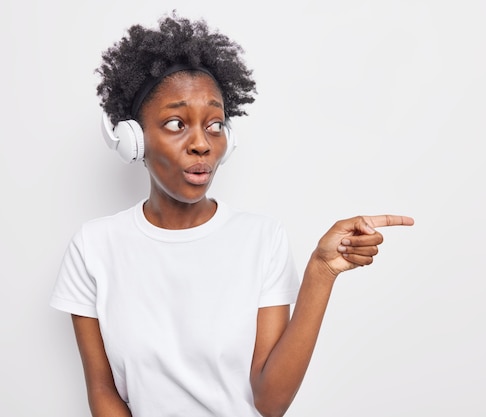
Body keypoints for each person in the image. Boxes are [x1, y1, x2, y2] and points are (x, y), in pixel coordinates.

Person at [50, 12, 414, 417]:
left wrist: (320, 272)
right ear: (133, 139)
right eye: (176, 123)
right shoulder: (94, 246)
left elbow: (270, 401)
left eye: (215, 125)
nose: (201, 144)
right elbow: (103, 392)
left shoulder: (262, 238)